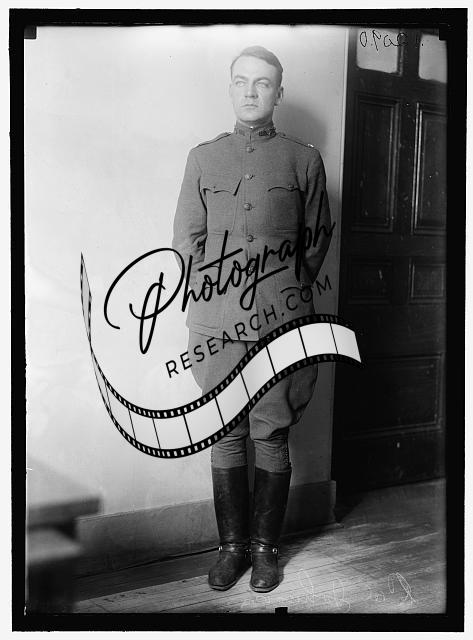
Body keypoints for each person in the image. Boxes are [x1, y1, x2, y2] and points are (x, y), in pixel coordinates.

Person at [172, 45, 332, 593]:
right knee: (225, 431)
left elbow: (315, 240)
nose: (250, 91)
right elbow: (186, 241)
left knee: (272, 430)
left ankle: (265, 552)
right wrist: (214, 295)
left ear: (278, 93)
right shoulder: (203, 158)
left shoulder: (303, 160)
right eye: (241, 81)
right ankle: (231, 549)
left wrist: (285, 291)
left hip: (280, 325)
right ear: (230, 87)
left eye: (262, 83)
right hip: (215, 326)